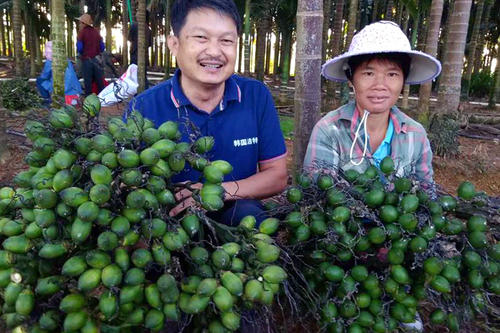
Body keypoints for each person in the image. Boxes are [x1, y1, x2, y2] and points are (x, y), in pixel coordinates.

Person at [125, 0, 288, 226]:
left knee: (249, 214)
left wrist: (216, 192)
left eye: (226, 40)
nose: (214, 51)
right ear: (174, 44)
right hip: (168, 223)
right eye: (201, 37)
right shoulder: (143, 107)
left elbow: (277, 175)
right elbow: (127, 182)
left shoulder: (255, 96)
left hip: (236, 217)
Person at [304, 21, 441, 185]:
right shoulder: (329, 130)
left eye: (392, 75)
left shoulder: (416, 135)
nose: (380, 85)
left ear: (404, 80)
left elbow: (427, 193)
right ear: (350, 78)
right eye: (369, 73)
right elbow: (317, 193)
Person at [36, 41, 83, 106]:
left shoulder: (50, 61)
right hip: (75, 90)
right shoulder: (67, 60)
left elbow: (44, 76)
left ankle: (47, 100)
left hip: (62, 90)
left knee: (39, 80)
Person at [76, 13, 105, 96]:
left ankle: (88, 101)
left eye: (80, 22)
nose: (79, 24)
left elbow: (80, 48)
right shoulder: (96, 32)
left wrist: (82, 53)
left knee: (88, 82)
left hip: (86, 61)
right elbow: (102, 47)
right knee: (100, 82)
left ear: (83, 23)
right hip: (97, 60)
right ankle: (102, 100)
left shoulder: (81, 33)